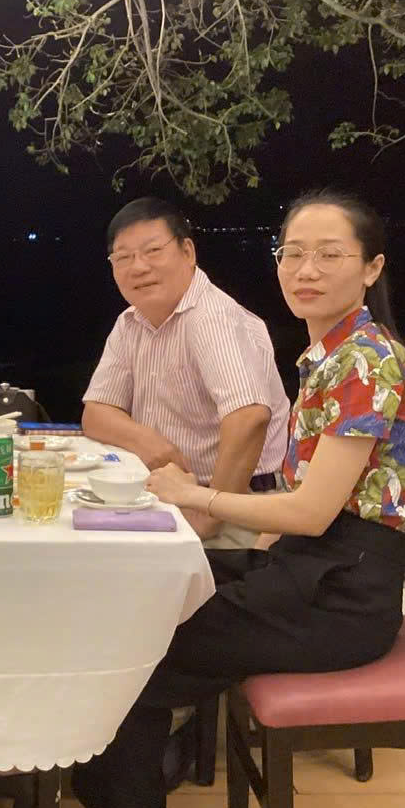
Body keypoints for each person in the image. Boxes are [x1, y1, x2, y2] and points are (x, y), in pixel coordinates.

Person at [71, 190, 405, 808]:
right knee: (141, 614)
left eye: (329, 255)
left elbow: (312, 512)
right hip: (311, 570)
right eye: (292, 254)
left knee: (135, 655)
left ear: (372, 267)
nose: (305, 270)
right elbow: (303, 508)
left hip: (341, 600)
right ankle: (130, 789)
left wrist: (197, 498)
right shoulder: (330, 355)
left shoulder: (366, 361)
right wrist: (242, 555)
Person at [82, 197, 291, 548]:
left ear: (188, 252)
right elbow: (96, 414)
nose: (138, 267)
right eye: (123, 257)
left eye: (153, 251)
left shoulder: (211, 317)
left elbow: (249, 417)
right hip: (167, 496)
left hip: (238, 508)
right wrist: (148, 442)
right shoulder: (130, 322)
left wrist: (209, 513)